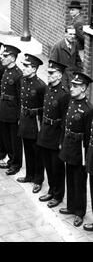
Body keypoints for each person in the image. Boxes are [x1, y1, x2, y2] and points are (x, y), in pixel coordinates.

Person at [58, 72, 93, 228]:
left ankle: (79, 211)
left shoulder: (88, 109)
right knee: (70, 177)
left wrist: (86, 157)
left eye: (76, 86)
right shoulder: (71, 102)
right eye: (72, 85)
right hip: (69, 146)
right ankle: (71, 206)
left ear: (84, 88)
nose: (72, 88)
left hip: (80, 150)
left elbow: (88, 136)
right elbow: (65, 125)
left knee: (79, 181)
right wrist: (62, 142)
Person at [36, 60, 70, 209]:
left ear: (59, 75)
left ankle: (58, 194)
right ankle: (51, 189)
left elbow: (64, 120)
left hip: (56, 134)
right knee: (48, 164)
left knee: (57, 167)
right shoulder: (48, 89)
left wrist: (61, 140)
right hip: (45, 131)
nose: (48, 75)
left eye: (51, 73)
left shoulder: (64, 95)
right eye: (48, 73)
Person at [16, 54, 46, 194]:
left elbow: (45, 108)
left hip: (36, 122)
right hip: (25, 120)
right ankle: (29, 175)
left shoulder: (41, 86)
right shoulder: (23, 81)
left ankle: (38, 180)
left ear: (34, 69)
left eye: (27, 66)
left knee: (37, 152)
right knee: (27, 148)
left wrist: (36, 112)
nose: (24, 68)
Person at [0, 45, 23, 176]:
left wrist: (19, 116)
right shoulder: (6, 71)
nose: (3, 57)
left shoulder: (18, 75)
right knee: (6, 138)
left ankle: (16, 164)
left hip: (13, 111)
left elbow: (20, 97)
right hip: (4, 109)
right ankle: (10, 159)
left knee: (15, 140)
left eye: (6, 56)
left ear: (13, 58)